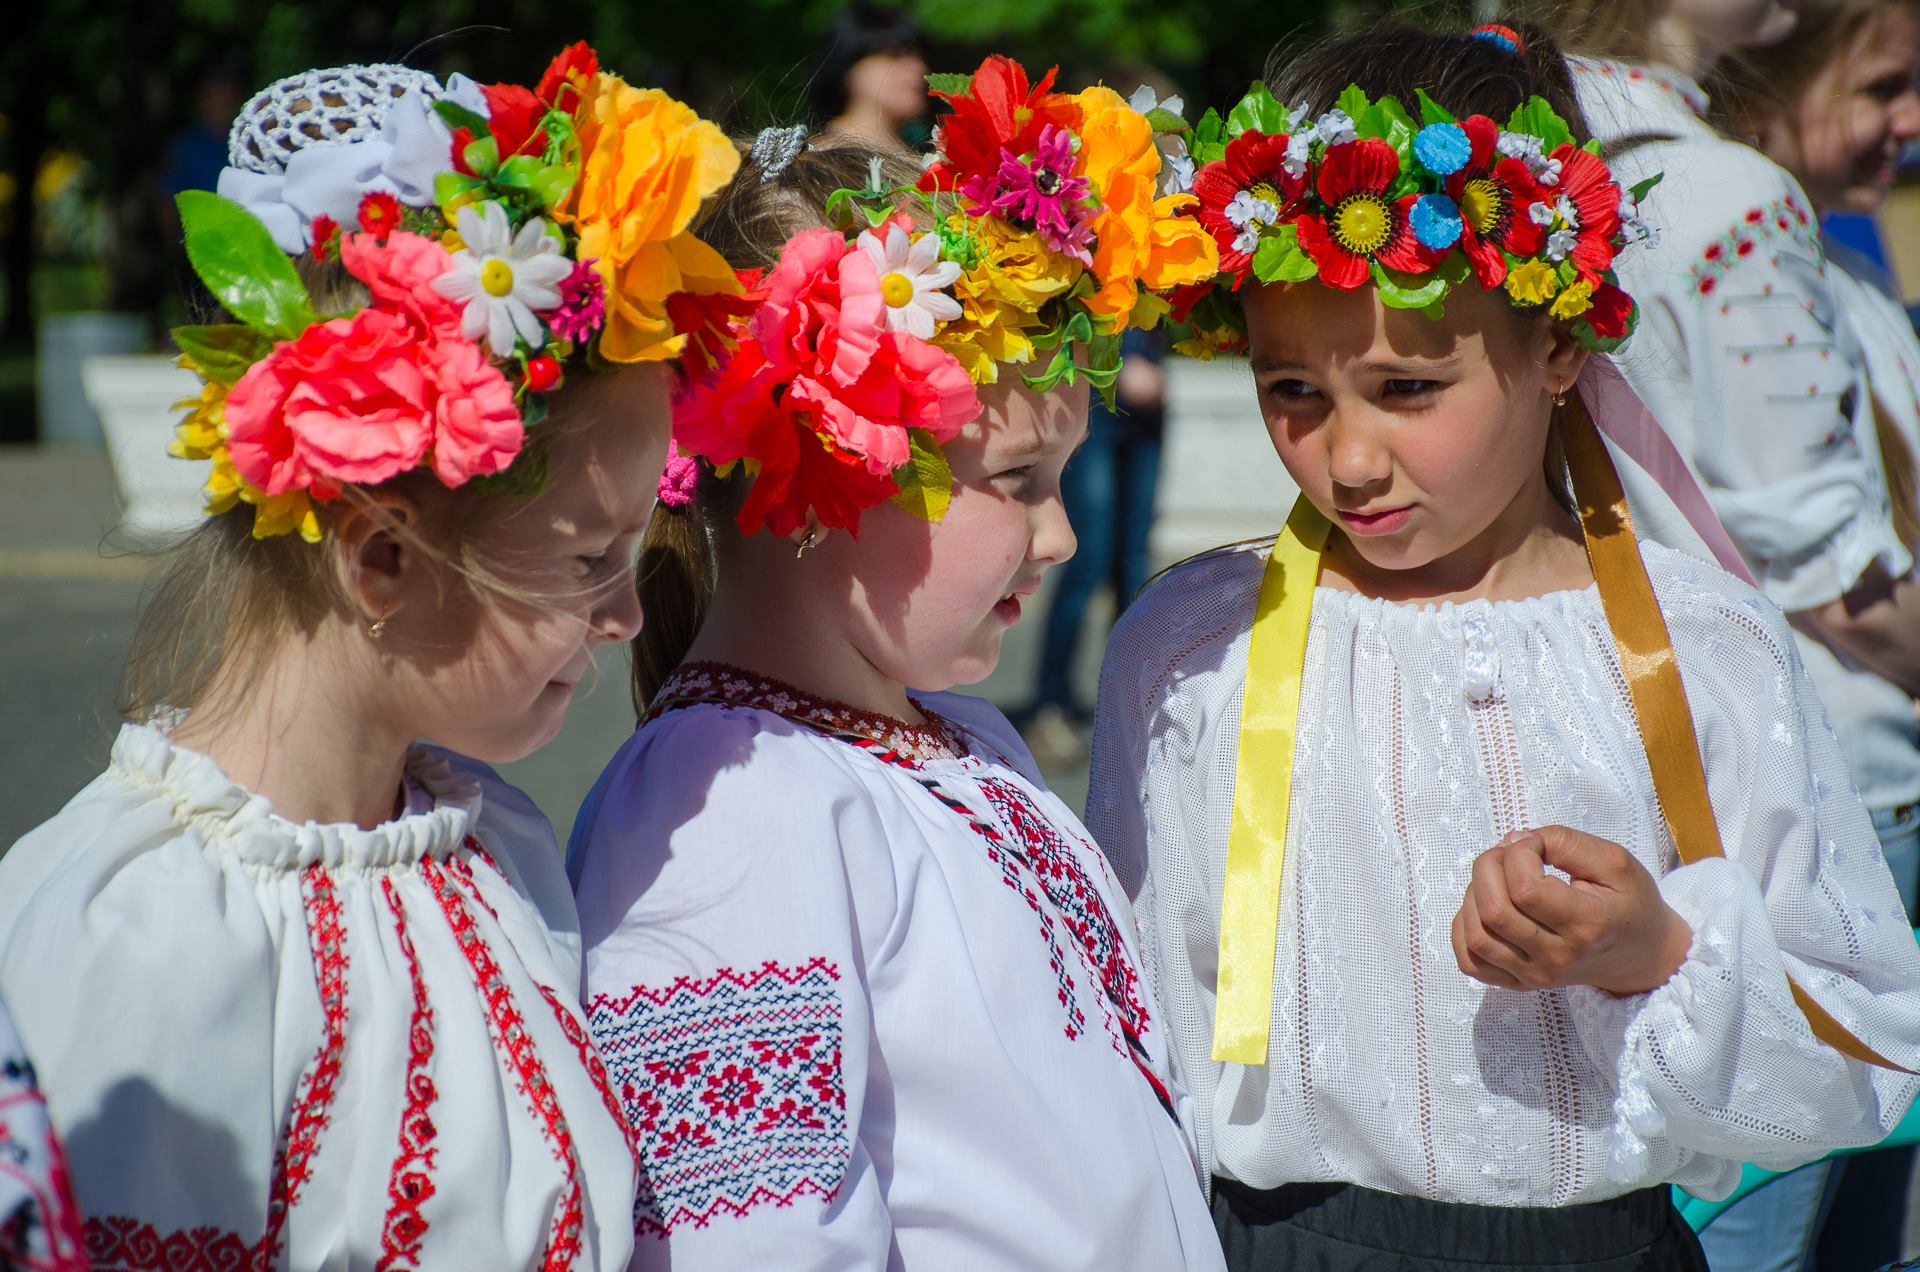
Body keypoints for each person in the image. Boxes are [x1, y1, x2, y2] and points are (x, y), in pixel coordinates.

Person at [1090, 24, 1920, 1272]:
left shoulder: (1708, 647)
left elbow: (1865, 1038)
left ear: (1561, 345)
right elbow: (1130, 1033)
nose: (1349, 459)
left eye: (1407, 391)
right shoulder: (1193, 653)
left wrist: (1663, 951)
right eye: (1291, 390)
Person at [0, 44, 744, 1266]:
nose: (624, 615)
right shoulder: (140, 934)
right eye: (584, 561)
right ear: (380, 559)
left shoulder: (493, 848)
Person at [568, 58, 1225, 1268]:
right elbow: (754, 1243)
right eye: (1019, 483)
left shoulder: (961, 739)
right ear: (830, 462)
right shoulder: (730, 803)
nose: (1064, 534)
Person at [1544, 0, 1920, 1263]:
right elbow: (1833, 571)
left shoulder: (1558, 162)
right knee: (1790, 1205)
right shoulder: (1726, 193)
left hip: (1679, 748)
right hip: (1834, 770)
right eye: (1884, 87)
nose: (1911, 124)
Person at [1024, 324, 1169, 770]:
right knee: (1086, 559)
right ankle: (1051, 705)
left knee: (1134, 565)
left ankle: (1133, 697)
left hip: (1147, 405)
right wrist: (1120, 361)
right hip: (1095, 398)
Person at [809, 3, 930, 150]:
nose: (919, 67)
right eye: (893, 54)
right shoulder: (815, 161)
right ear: (849, 68)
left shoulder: (929, 160)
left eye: (919, 57)